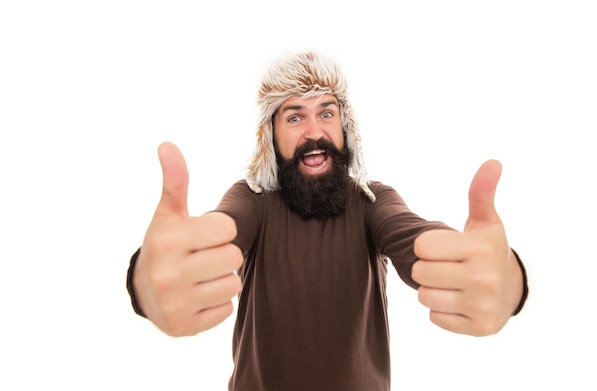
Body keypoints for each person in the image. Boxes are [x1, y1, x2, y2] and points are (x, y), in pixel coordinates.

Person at [126, 51, 529, 391]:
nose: (314, 132)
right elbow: (218, 231)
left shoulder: (373, 201)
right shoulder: (253, 200)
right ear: (272, 134)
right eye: (295, 117)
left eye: (326, 113)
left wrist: (507, 280)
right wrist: (148, 278)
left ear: (344, 127)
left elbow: (414, 236)